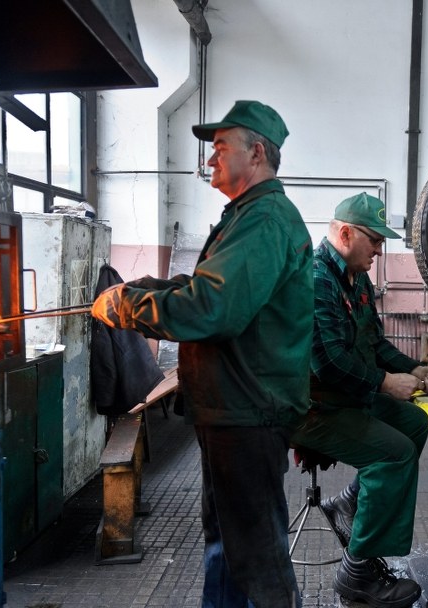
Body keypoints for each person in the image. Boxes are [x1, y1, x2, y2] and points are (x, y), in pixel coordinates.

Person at [92, 100, 312, 608]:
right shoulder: (247, 217)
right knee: (229, 545)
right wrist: (148, 285)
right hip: (234, 407)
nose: (209, 160)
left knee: (256, 559)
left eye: (219, 149)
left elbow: (213, 309)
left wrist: (127, 304)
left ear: (255, 153)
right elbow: (212, 288)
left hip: (247, 412)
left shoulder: (263, 221)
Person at [290, 192, 428, 608]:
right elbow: (327, 363)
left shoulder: (355, 277)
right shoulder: (315, 279)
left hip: (348, 396)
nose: (379, 251)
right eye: (375, 242)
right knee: (394, 454)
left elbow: (375, 343)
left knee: (413, 423)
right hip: (313, 407)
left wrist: (415, 370)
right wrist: (384, 383)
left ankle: (349, 505)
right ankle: (356, 574)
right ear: (345, 233)